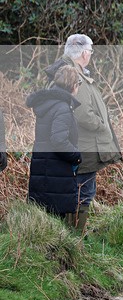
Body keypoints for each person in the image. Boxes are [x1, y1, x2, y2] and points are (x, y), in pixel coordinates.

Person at [44, 35, 122, 235]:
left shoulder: (71, 71)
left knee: (79, 191)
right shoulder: (72, 75)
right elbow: (81, 113)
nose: (90, 55)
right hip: (84, 145)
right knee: (83, 192)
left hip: (81, 144)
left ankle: (71, 235)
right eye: (91, 51)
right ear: (85, 53)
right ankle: (74, 238)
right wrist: (101, 125)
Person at [27, 66, 83, 227]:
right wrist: (76, 156)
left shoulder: (48, 104)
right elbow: (59, 140)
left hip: (43, 165)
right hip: (56, 168)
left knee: (45, 218)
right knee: (55, 219)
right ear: (73, 85)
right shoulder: (62, 107)